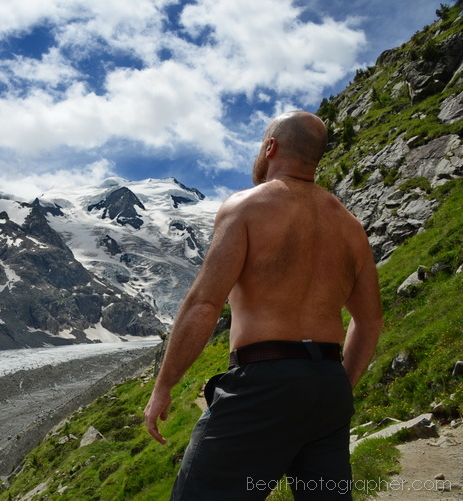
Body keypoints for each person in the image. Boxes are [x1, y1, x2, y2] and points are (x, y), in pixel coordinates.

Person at [144, 110, 383, 500]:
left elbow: (205, 303)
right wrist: (338, 387)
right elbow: (370, 322)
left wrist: (164, 385)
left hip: (262, 383)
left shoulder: (246, 207)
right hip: (328, 385)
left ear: (270, 147)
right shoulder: (351, 227)